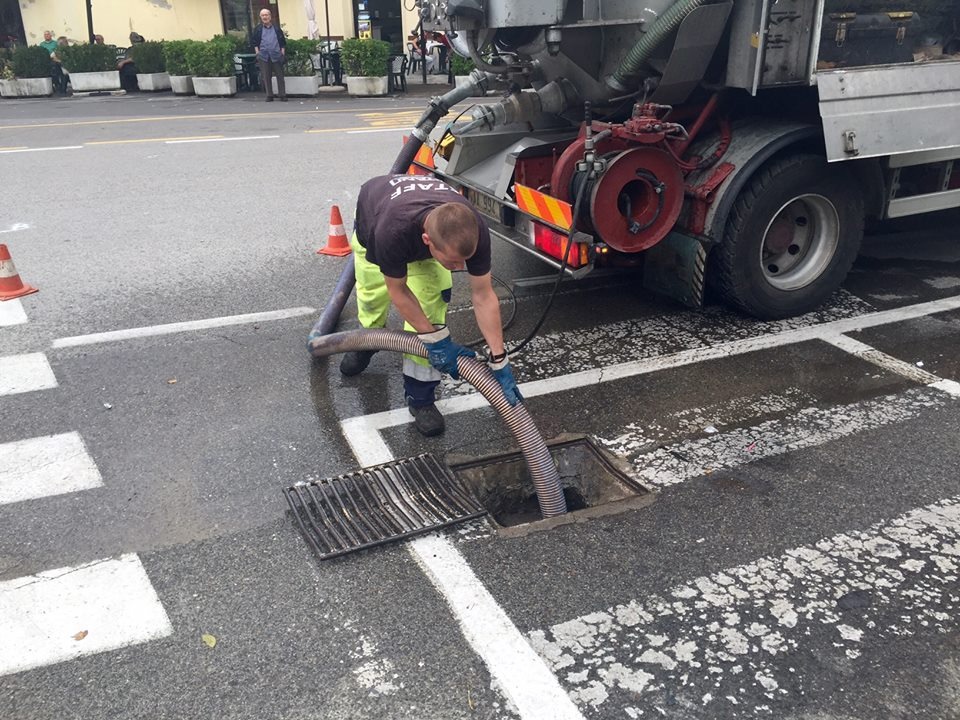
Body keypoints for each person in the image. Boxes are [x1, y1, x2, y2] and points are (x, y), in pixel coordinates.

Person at [340, 174, 522, 437]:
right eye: (452, 262)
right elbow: (398, 291)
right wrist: (438, 342)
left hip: (416, 229)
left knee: (431, 308)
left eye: (464, 261)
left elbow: (483, 295)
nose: (460, 269)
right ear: (428, 242)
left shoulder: (474, 229)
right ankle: (368, 343)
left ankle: (421, 399)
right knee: (372, 297)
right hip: (376, 224)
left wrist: (499, 359)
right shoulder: (391, 231)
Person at [251, 8, 286, 102]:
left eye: (266, 15)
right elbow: (254, 42)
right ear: (260, 17)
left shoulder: (277, 28)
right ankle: (269, 95)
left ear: (270, 16)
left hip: (276, 55)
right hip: (264, 56)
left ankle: (282, 94)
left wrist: (282, 52)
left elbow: (282, 41)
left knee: (280, 76)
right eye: (263, 15)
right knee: (266, 76)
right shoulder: (258, 29)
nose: (265, 17)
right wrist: (257, 53)